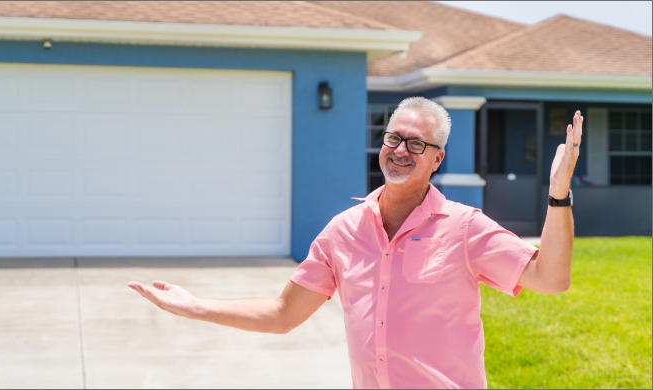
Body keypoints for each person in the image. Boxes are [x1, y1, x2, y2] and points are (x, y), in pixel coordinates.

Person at [128, 97, 582, 389]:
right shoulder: (342, 231)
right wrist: (194, 306)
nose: (400, 149)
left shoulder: (466, 228)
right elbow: (282, 314)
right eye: (393, 138)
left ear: (438, 159)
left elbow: (551, 278)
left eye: (416, 144)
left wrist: (558, 193)